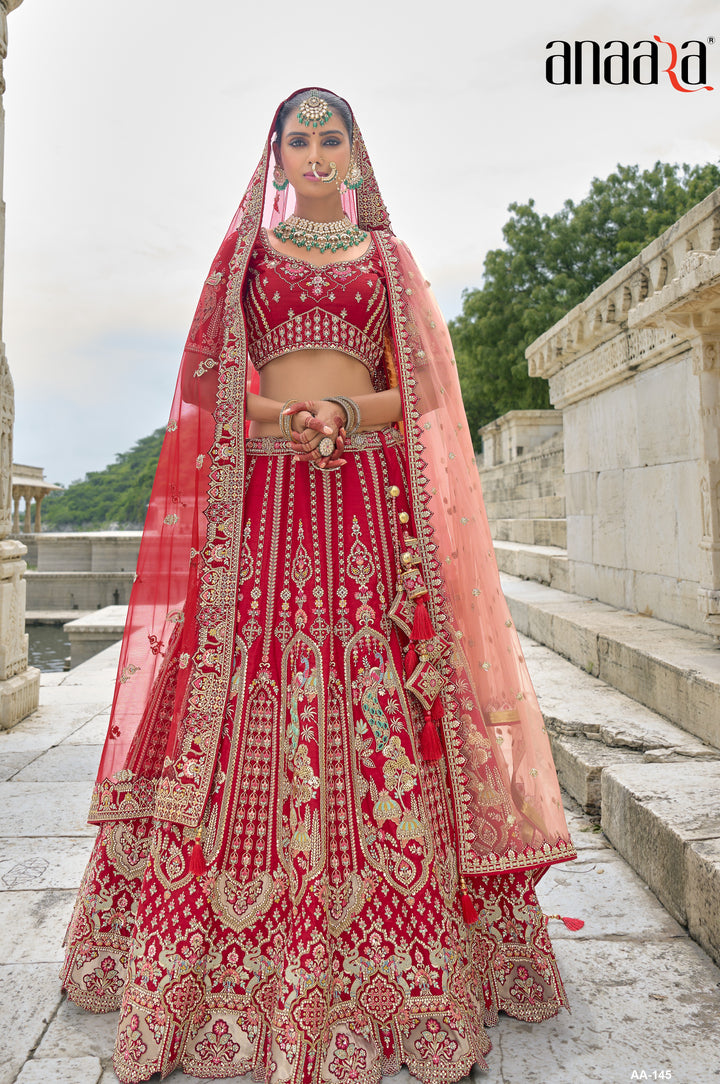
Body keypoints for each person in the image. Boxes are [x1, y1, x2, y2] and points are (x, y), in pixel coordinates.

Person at [61, 88, 581, 1084]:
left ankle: (406, 965)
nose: (313, 151)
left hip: (362, 502)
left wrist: (344, 408)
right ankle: (212, 975)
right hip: (261, 502)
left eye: (329, 136)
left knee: (383, 700)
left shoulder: (386, 261)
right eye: (296, 138)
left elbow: (419, 388)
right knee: (235, 694)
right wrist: (274, 424)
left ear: (354, 153)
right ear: (275, 156)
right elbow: (211, 386)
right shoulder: (246, 262)